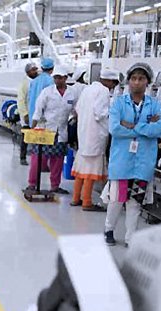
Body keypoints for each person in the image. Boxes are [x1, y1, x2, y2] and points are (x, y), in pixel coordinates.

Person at [103, 62, 161, 246]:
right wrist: (147, 127)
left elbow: (160, 129)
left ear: (148, 81)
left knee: (135, 203)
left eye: (141, 78)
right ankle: (108, 229)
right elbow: (115, 129)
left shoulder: (155, 105)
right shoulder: (118, 104)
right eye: (133, 78)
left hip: (143, 162)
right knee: (116, 200)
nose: (137, 82)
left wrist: (133, 126)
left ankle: (130, 237)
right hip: (122, 161)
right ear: (128, 81)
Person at [70, 67, 120, 211]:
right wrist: (114, 113)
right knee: (90, 170)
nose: (113, 88)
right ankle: (87, 202)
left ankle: (76, 198)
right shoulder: (103, 91)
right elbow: (100, 113)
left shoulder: (87, 89)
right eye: (113, 84)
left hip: (84, 134)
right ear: (109, 81)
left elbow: (78, 109)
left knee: (81, 168)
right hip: (95, 136)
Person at [27, 66, 78, 194]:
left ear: (65, 78)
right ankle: (32, 184)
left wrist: (75, 121)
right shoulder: (47, 92)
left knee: (58, 160)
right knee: (38, 159)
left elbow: (76, 110)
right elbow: (38, 111)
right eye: (55, 78)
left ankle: (55, 186)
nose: (58, 80)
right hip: (45, 130)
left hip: (61, 131)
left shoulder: (72, 93)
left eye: (60, 78)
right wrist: (32, 129)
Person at [16, 62, 39, 166]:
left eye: (36, 69)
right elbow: (21, 100)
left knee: (36, 136)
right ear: (28, 72)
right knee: (25, 137)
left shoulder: (37, 82)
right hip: (27, 114)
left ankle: (35, 156)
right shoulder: (24, 84)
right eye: (33, 70)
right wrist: (25, 114)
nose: (35, 72)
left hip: (36, 114)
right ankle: (23, 157)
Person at [27, 57, 55, 123]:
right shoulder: (51, 81)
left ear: (42, 68)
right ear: (52, 69)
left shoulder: (34, 81)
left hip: (33, 115)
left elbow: (29, 98)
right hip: (45, 117)